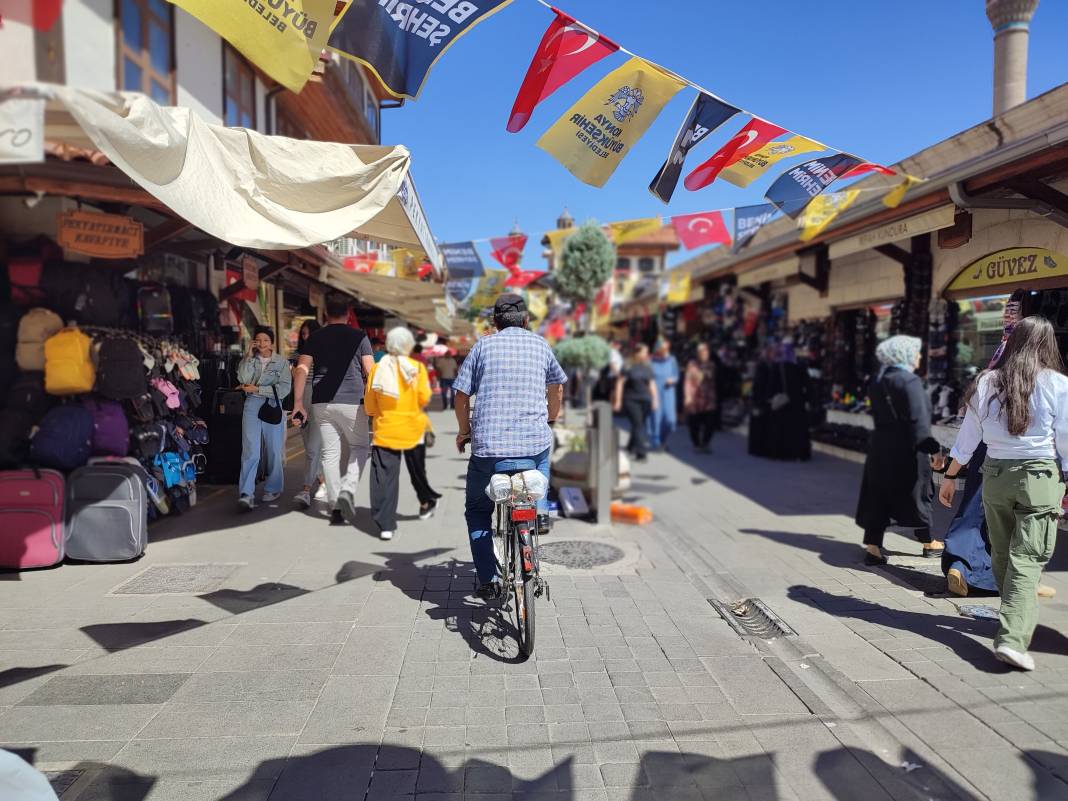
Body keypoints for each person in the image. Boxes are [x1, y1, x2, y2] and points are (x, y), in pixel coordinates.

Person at [938, 316, 1068, 671]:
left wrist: (950, 476)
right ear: (1048, 344)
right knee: (1027, 559)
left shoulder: (987, 382)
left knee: (1000, 552)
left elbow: (967, 437)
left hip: (995, 476)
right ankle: (1011, 639)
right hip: (1040, 476)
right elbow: (1066, 440)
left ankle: (1011, 615)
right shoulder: (1058, 384)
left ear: (1010, 343)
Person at [453, 294, 566, 599]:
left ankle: (488, 579)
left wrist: (464, 432)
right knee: (543, 455)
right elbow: (556, 386)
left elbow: (461, 395)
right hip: (533, 444)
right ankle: (539, 511)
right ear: (526, 320)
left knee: (478, 510)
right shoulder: (541, 345)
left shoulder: (483, 345)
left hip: (489, 449)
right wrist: (551, 417)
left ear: (495, 322)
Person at [854, 336, 944, 565]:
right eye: (916, 352)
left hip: (881, 447)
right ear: (903, 355)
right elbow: (918, 421)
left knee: (879, 494)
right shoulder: (909, 381)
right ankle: (928, 542)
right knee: (919, 493)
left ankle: (873, 547)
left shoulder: (878, 380)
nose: (919, 356)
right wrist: (934, 450)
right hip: (907, 449)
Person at [292, 293, 375, 526]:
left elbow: (301, 370)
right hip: (352, 401)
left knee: (330, 453)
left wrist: (298, 403)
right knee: (359, 447)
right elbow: (371, 371)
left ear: (325, 314)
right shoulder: (360, 336)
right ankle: (347, 490)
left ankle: (335, 503)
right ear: (348, 314)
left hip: (321, 402)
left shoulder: (315, 338)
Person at [365, 327, 441, 541]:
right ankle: (426, 501)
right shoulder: (417, 368)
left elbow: (370, 407)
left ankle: (386, 524)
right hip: (413, 429)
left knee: (384, 477)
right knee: (417, 471)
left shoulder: (377, 369)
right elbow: (424, 397)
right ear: (408, 346)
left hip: (386, 429)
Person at [235, 326, 292, 511]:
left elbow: (284, 389)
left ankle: (274, 487)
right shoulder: (250, 359)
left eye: (266, 340)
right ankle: (246, 493)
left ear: (272, 342)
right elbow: (242, 378)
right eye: (258, 340)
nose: (261, 344)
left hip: (273, 406)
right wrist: (247, 355)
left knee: (274, 448)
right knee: (250, 448)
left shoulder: (281, 362)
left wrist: (259, 389)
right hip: (252, 405)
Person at [292, 319, 322, 509]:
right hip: (301, 401)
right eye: (303, 334)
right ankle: (323, 481)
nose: (306, 337)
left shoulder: (325, 354)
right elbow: (295, 377)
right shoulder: (298, 355)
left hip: (319, 401)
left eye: (308, 333)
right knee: (310, 446)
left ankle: (305, 489)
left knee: (312, 448)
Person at [613, 343, 658, 462]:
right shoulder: (627, 365)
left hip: (646, 400)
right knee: (638, 425)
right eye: (644, 352)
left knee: (639, 424)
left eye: (647, 352)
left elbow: (652, 384)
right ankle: (641, 452)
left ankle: (630, 446)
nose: (646, 355)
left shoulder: (648, 366)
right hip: (631, 400)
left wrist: (655, 399)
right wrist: (618, 401)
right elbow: (620, 383)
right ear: (637, 353)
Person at [684, 343, 717, 453]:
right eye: (702, 352)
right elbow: (687, 381)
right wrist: (687, 396)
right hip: (695, 398)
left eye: (706, 351)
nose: (705, 353)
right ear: (698, 353)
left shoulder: (712, 365)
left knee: (711, 422)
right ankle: (696, 444)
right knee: (694, 423)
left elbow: (713, 378)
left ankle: (706, 443)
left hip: (709, 398)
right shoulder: (691, 365)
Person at [648, 339, 680, 451]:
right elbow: (647, 377)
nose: (665, 351)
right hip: (655, 392)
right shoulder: (651, 360)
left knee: (670, 420)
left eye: (667, 349)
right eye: (663, 349)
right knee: (656, 418)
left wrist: (673, 380)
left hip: (668, 393)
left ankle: (663, 439)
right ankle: (657, 442)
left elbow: (677, 376)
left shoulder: (672, 360)